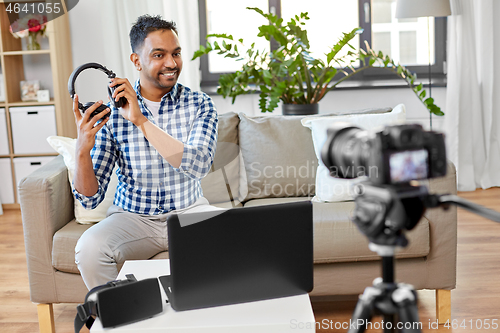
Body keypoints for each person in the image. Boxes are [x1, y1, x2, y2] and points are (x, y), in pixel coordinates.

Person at [72, 15, 220, 290]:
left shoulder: (200, 104)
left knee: (240, 240)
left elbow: (199, 165)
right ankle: (119, 316)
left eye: (176, 53)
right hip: (133, 218)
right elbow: (89, 200)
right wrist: (82, 150)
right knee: (89, 249)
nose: (172, 63)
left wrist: (141, 121)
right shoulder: (112, 114)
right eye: (159, 54)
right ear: (137, 61)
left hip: (189, 211)